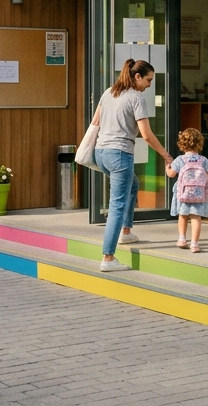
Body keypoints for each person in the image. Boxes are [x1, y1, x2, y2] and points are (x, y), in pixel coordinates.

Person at [90, 59, 172, 272]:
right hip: (119, 155)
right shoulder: (136, 98)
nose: (149, 84)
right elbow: (146, 135)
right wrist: (165, 155)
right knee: (116, 205)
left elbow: (95, 121)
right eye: (148, 80)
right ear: (137, 77)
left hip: (101, 153)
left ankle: (126, 232)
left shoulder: (108, 92)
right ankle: (108, 258)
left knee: (132, 184)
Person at [165, 128, 208, 253]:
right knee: (196, 218)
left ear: (182, 144)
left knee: (183, 216)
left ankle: (182, 239)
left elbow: (171, 174)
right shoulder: (203, 160)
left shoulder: (180, 160)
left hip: (183, 194)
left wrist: (167, 168)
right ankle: (194, 244)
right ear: (199, 143)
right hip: (199, 194)